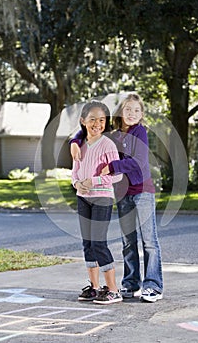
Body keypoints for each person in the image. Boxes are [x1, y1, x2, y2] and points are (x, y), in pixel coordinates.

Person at [70, 94, 163, 303]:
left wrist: (111, 167)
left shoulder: (140, 132)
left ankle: (153, 286)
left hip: (142, 191)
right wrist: (74, 142)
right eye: (128, 110)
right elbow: (88, 130)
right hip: (123, 193)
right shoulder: (113, 135)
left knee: (149, 242)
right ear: (121, 111)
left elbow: (138, 161)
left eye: (137, 111)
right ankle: (130, 284)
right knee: (128, 242)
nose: (132, 114)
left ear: (141, 115)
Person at [71, 101, 123, 305]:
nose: (97, 124)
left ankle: (113, 290)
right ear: (83, 121)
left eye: (101, 120)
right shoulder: (79, 145)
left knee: (98, 243)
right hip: (83, 198)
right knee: (87, 244)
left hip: (102, 197)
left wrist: (94, 180)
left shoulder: (108, 144)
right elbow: (75, 171)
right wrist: (77, 183)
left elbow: (117, 175)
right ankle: (94, 288)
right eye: (92, 119)